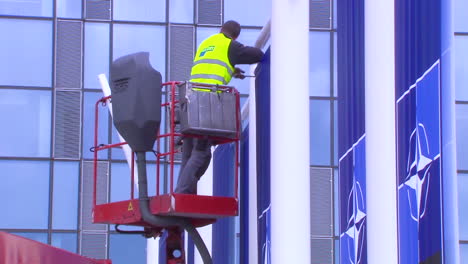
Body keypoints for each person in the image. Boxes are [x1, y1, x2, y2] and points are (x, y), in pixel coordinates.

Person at [174, 20, 264, 194]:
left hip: (190, 100)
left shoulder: (207, 43)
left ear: (220, 29)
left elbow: (212, 67)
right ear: (235, 35)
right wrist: (237, 58)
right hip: (207, 102)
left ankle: (182, 191)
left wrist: (232, 69)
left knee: (189, 153)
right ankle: (182, 193)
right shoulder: (230, 45)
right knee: (202, 153)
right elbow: (256, 54)